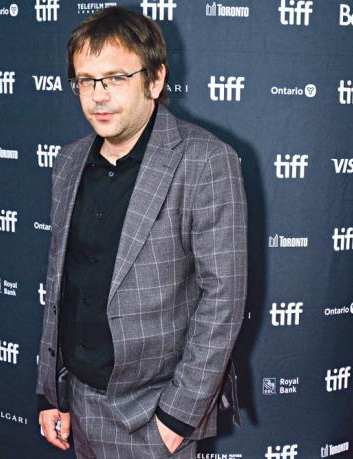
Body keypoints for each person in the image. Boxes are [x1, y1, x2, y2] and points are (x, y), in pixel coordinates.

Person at [35, 6, 247, 458]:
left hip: (152, 415)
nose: (98, 96)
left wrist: (177, 417)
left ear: (155, 79)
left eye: (115, 78)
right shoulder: (69, 161)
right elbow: (63, 286)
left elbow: (224, 296)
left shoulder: (206, 161)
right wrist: (53, 392)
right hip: (80, 403)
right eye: (86, 81)